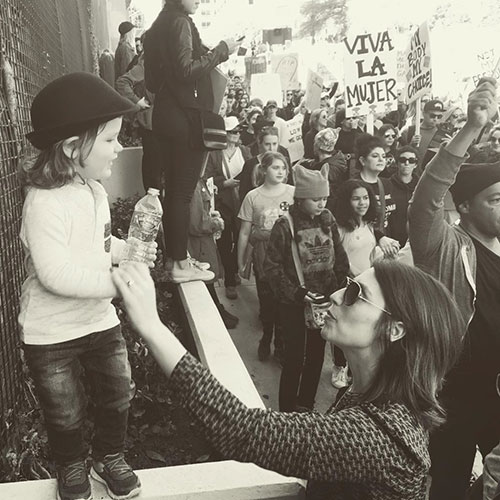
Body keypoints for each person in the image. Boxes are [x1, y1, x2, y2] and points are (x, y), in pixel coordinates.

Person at [112, 256, 464, 499]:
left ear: (395, 330)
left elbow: (242, 431)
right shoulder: (370, 394)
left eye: (357, 294)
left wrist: (150, 325)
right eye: (347, 284)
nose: (338, 295)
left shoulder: (378, 437)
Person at [18, 73, 157, 500]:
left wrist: (125, 251)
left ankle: (109, 456)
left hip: (98, 320)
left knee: (118, 391)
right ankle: (72, 464)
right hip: (52, 332)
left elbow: (97, 242)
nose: (120, 148)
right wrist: (115, 282)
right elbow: (54, 273)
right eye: (111, 140)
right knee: (65, 410)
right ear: (74, 147)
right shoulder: (43, 204)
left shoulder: (93, 190)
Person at [408, 77, 500, 500]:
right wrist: (470, 129)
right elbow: (426, 199)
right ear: (464, 206)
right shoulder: (445, 246)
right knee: (446, 485)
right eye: (495, 199)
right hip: (453, 396)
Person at [145, 0, 238, 283]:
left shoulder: (157, 26)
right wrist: (221, 51)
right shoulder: (180, 22)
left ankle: (176, 259)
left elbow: (152, 81)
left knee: (174, 191)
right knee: (182, 194)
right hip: (185, 120)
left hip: (164, 115)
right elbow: (186, 70)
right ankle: (180, 264)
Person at [265, 165, 349, 411]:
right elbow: (271, 267)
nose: (321, 203)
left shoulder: (328, 219)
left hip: (323, 302)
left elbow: (340, 255)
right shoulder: (284, 225)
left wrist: (340, 284)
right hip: (294, 304)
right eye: (315, 199)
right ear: (300, 199)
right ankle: (287, 412)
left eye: (324, 197)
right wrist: (297, 293)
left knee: (316, 358)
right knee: (293, 360)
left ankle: (306, 406)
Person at [238, 152, 294, 362]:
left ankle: (280, 344)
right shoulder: (253, 196)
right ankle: (266, 336)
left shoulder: (293, 193)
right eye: (275, 167)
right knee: (267, 304)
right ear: (264, 170)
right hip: (263, 260)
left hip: (288, 260)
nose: (280, 172)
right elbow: (244, 232)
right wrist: (241, 261)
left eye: (283, 168)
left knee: (284, 305)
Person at [329, 179, 384, 388]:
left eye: (365, 197)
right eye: (356, 199)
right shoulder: (340, 227)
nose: (362, 203)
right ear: (346, 201)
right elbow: (338, 258)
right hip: (348, 284)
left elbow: (370, 253)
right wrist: (357, 277)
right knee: (343, 325)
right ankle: (339, 366)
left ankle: (355, 370)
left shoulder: (369, 224)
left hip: (367, 285)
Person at [206, 117, 251, 300]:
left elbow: (253, 171)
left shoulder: (246, 151)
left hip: (242, 204)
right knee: (225, 242)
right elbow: (208, 176)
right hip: (223, 204)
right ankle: (230, 281)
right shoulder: (214, 153)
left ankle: (234, 270)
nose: (236, 134)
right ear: (225, 133)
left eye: (238, 131)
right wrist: (225, 183)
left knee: (241, 239)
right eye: (233, 131)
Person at [188, 168, 239, 329]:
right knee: (205, 279)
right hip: (199, 245)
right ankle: (215, 315)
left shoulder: (194, 181)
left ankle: (217, 310)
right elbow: (197, 223)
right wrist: (216, 223)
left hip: (200, 243)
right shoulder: (193, 184)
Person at [115, 53, 163, 191]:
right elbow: (122, 82)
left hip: (162, 125)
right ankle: (154, 206)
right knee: (153, 171)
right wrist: (137, 101)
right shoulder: (148, 63)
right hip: (151, 126)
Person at [351, 134, 399, 247]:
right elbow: (354, 220)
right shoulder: (353, 185)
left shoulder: (387, 183)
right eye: (375, 156)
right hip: (363, 244)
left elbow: (392, 217)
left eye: (383, 156)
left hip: (387, 244)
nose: (381, 159)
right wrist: (380, 237)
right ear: (363, 160)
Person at [388, 146, 419, 247]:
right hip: (392, 241)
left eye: (411, 160)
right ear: (397, 163)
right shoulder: (387, 185)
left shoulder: (421, 187)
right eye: (402, 160)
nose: (407, 163)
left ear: (415, 164)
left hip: (415, 241)